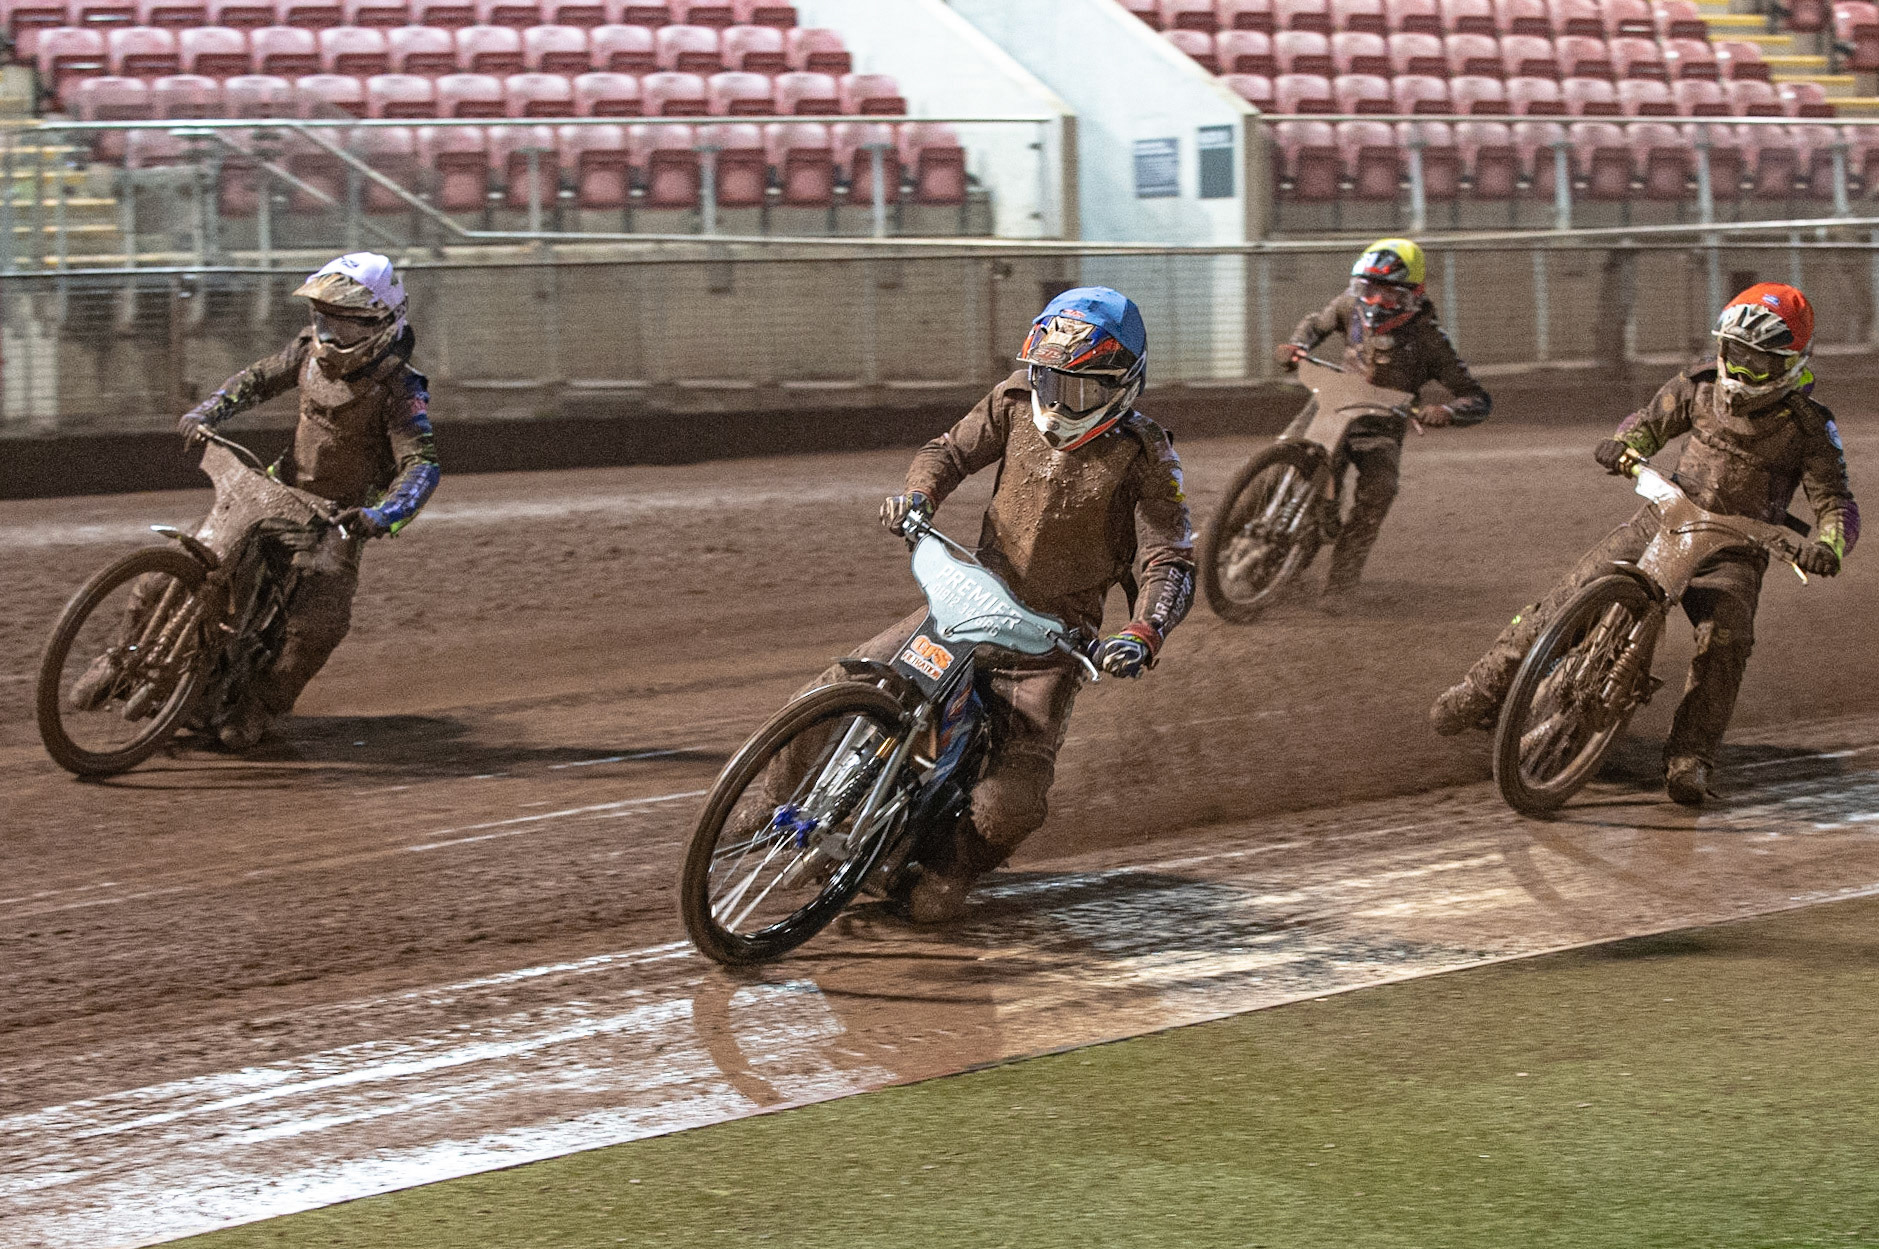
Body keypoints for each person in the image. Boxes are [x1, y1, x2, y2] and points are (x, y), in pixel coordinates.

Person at [1429, 282, 1857, 805]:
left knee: (1726, 641)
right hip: (1661, 518)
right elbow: (1648, 425)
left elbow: (1837, 503)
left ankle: (1690, 758)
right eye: (1734, 354)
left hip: (1733, 551)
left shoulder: (1810, 427)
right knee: (1567, 597)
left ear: (1791, 365)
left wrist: (1829, 545)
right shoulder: (1699, 385)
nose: (1741, 371)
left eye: (1758, 362)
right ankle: (1482, 689)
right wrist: (1625, 445)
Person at [853, 287, 1195, 922]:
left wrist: (1144, 631)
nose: (1059, 401)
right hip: (968, 602)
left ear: (1123, 386)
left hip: (1051, 644)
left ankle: (949, 869)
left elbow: (1168, 559)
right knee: (845, 681)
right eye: (1049, 380)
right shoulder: (1013, 401)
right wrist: (919, 496)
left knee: (1012, 802)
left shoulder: (1147, 457)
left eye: (1081, 389)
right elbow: (947, 451)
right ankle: (768, 803)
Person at [178, 252, 439, 749]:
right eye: (323, 319)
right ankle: (122, 655)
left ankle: (259, 702)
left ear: (379, 323)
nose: (329, 333)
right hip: (274, 491)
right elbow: (257, 378)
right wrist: (212, 409)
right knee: (196, 557)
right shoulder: (306, 350)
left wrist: (383, 516)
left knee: (319, 622)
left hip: (338, 519)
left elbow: (422, 464)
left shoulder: (401, 388)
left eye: (343, 323)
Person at [1277, 238, 1493, 607]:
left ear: (1414, 295)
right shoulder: (1349, 307)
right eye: (1367, 290)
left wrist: (1448, 411)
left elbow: (1477, 397)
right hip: (1333, 406)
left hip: (1380, 427)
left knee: (1379, 491)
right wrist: (1297, 346)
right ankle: (1241, 533)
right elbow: (1315, 324)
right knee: (1284, 458)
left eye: (1389, 295)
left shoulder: (1429, 339)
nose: (1375, 302)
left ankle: (1340, 584)